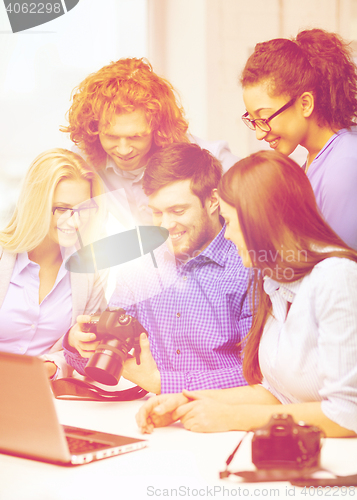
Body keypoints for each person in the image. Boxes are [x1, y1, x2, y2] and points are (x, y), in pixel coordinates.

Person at [135, 150, 357, 438]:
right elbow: (277, 393)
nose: (226, 235)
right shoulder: (274, 282)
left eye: (230, 221)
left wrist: (234, 416)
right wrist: (187, 401)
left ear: (260, 219)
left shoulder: (336, 277)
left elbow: (348, 413)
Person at [63, 143, 251, 394]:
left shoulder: (247, 267)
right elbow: (110, 357)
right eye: (157, 213)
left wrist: (163, 383)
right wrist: (77, 343)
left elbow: (261, 373)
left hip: (221, 417)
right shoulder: (141, 263)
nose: (165, 225)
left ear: (213, 201)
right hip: (147, 414)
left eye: (177, 210)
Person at [61, 57, 239, 225]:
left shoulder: (214, 161)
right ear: (94, 129)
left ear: (158, 128)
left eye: (136, 137)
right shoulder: (79, 164)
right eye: (111, 136)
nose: (123, 150)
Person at [240, 28, 357, 250]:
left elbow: (341, 272)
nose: (259, 133)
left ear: (305, 104)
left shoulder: (343, 168)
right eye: (252, 120)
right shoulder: (318, 159)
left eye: (264, 118)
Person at [0, 149, 107, 379]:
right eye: (62, 208)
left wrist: (55, 362)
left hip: (45, 394)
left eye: (84, 209)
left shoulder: (91, 271)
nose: (75, 221)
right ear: (35, 204)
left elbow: (85, 357)